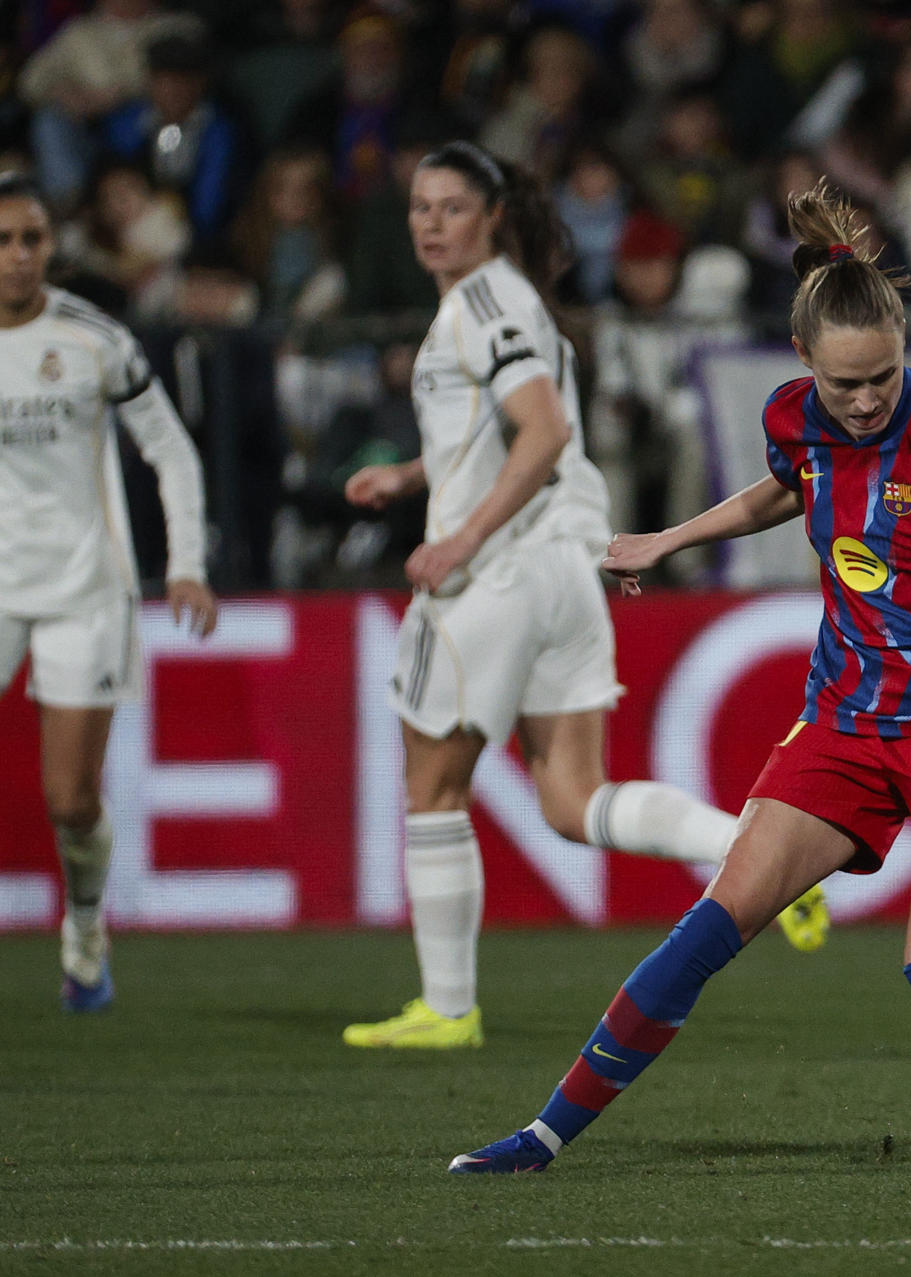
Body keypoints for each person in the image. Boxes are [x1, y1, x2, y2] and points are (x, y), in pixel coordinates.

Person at [447, 181, 911, 1173]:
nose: (865, 401)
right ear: (804, 357)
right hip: (847, 720)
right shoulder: (796, 417)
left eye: (883, 377)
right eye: (844, 383)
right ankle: (545, 1134)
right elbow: (787, 483)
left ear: (904, 347)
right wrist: (671, 538)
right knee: (707, 928)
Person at [338, 141, 828, 1052]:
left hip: (500, 571)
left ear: (492, 217)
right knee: (573, 798)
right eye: (421, 207)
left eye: (452, 207)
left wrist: (460, 538)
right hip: (566, 569)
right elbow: (499, 436)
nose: (432, 224)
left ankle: (447, 1007)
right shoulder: (515, 305)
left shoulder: (484, 303)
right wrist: (410, 475)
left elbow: (545, 430)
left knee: (433, 784)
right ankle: (748, 850)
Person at [0, 171, 218, 1012]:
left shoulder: (93, 338)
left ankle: (85, 928)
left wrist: (186, 562)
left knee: (71, 799)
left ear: (51, 245)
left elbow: (171, 448)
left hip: (84, 587)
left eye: (32, 238)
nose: (19, 254)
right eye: (2, 239)